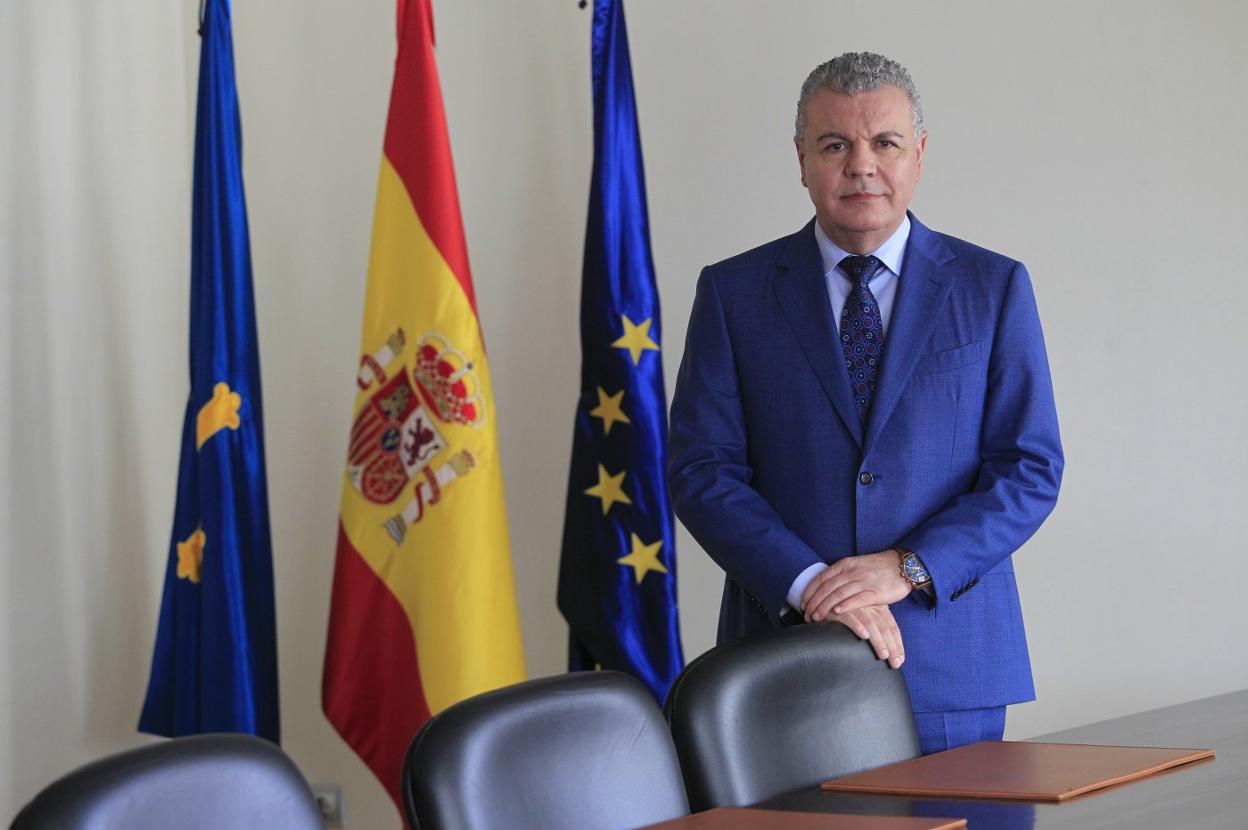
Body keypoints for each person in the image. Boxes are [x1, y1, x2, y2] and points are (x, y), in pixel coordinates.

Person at [668, 51, 1063, 754]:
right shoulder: (733, 293)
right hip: (782, 661)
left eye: (884, 142)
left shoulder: (993, 287)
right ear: (801, 159)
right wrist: (811, 584)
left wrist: (907, 567)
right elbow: (702, 471)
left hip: (949, 666)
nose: (861, 165)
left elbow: (1029, 470)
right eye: (834, 145)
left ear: (919, 154)